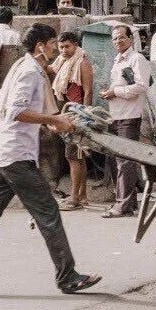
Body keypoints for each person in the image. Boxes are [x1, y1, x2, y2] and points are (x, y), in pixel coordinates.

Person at [0, 24, 101, 296]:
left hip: (5, 152)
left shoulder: (20, 67)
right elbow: (16, 110)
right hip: (16, 155)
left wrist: (53, 123)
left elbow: (1, 104)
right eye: (52, 43)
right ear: (40, 46)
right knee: (48, 212)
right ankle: (68, 276)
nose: (55, 49)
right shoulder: (29, 72)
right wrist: (52, 120)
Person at [100, 24, 151, 218]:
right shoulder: (117, 60)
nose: (118, 41)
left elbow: (142, 86)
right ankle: (127, 203)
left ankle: (123, 205)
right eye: (114, 38)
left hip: (129, 116)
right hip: (116, 114)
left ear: (130, 38)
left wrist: (115, 91)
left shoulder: (137, 59)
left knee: (125, 162)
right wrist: (110, 92)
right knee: (118, 160)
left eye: (121, 37)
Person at [50, 31, 93, 211]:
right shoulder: (63, 62)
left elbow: (88, 92)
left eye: (67, 47)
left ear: (75, 45)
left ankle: (75, 198)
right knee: (77, 157)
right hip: (67, 113)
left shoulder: (81, 63)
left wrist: (83, 118)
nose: (64, 50)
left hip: (76, 116)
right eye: (61, 47)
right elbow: (49, 69)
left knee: (73, 156)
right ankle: (82, 196)